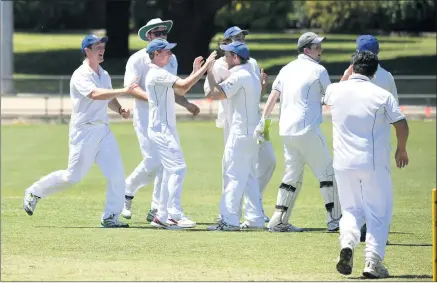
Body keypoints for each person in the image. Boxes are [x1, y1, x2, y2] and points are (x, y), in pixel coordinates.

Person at [23, 34, 137, 228]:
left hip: (103, 131)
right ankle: (35, 191)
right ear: (87, 51)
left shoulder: (104, 74)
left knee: (117, 174)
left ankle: (110, 216)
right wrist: (124, 90)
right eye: (97, 47)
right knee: (73, 177)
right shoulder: (80, 75)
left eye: (102, 46)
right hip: (83, 132)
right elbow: (95, 94)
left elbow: (108, 98)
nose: (101, 49)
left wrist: (119, 109)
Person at [324, 50, 409, 278]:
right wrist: (401, 148)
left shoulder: (334, 90)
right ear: (374, 71)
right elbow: (401, 124)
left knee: (351, 210)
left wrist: (345, 75)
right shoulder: (381, 95)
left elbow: (329, 96)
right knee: (379, 212)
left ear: (352, 67)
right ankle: (372, 261)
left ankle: (348, 244)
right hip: (373, 163)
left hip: (343, 163)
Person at [254, 32, 342, 232]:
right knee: (328, 173)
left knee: (292, 176)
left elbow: (273, 97)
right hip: (308, 130)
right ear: (306, 50)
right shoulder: (319, 70)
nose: (321, 50)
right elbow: (331, 98)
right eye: (317, 47)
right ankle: (335, 220)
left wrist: (263, 121)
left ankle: (278, 220)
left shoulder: (286, 69)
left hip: (287, 131)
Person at [121, 18, 200, 228]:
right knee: (154, 162)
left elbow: (173, 88)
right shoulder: (137, 59)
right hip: (145, 115)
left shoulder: (170, 58)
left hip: (165, 116)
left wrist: (186, 104)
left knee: (168, 163)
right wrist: (153, 98)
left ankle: (158, 209)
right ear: (148, 36)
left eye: (164, 32)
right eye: (157, 33)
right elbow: (132, 87)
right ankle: (128, 189)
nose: (162, 35)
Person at [204, 26, 275, 226]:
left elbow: (213, 94)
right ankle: (255, 218)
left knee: (233, 173)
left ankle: (229, 218)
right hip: (250, 130)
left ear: (235, 57)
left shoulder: (239, 74)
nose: (225, 57)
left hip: (240, 130)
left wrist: (208, 72)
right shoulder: (249, 72)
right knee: (249, 174)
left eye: (228, 55)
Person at [143, 38, 216, 229]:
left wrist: (195, 72)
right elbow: (183, 87)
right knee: (178, 168)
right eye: (166, 51)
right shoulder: (157, 74)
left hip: (165, 128)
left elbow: (183, 88)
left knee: (171, 170)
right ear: (156, 54)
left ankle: (161, 216)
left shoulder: (161, 72)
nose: (170, 54)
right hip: (161, 129)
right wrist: (206, 67)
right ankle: (174, 214)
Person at [341, 35, 399, 242]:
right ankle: (375, 237)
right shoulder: (387, 77)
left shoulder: (351, 77)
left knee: (354, 197)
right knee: (378, 194)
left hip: (349, 143)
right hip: (379, 143)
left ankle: (353, 235)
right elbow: (396, 114)